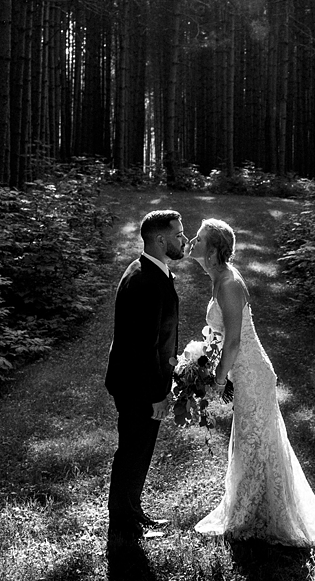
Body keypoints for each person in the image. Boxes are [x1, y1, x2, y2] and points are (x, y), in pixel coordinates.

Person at [189, 218, 315, 550]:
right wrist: (204, 361)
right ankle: (252, 507)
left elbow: (234, 341)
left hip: (252, 373)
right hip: (243, 370)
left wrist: (219, 379)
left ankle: (261, 514)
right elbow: (222, 337)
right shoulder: (218, 278)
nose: (191, 241)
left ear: (210, 251)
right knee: (251, 440)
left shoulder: (228, 284)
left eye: (198, 238)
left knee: (257, 441)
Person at [104, 209, 186, 545]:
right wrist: (157, 395)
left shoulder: (152, 272)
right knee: (132, 452)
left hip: (137, 382)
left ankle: (132, 512)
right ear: (161, 239)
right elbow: (143, 348)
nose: (184, 239)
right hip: (138, 386)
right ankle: (124, 524)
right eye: (179, 234)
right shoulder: (145, 281)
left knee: (137, 452)